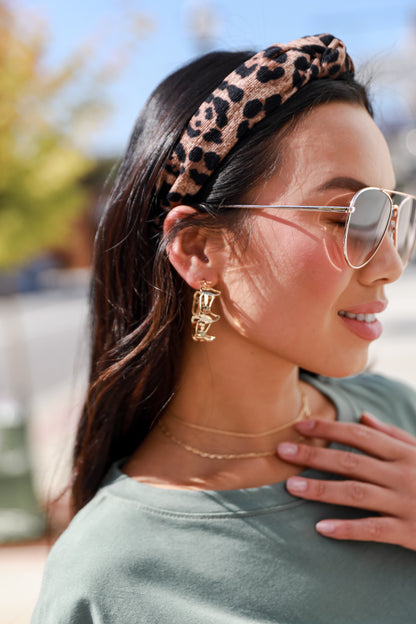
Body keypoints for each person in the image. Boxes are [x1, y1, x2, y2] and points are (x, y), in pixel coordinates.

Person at [32, 33, 416, 623]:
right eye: (347, 216)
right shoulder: (109, 577)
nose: (390, 263)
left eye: (391, 216)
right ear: (200, 250)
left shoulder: (396, 423)